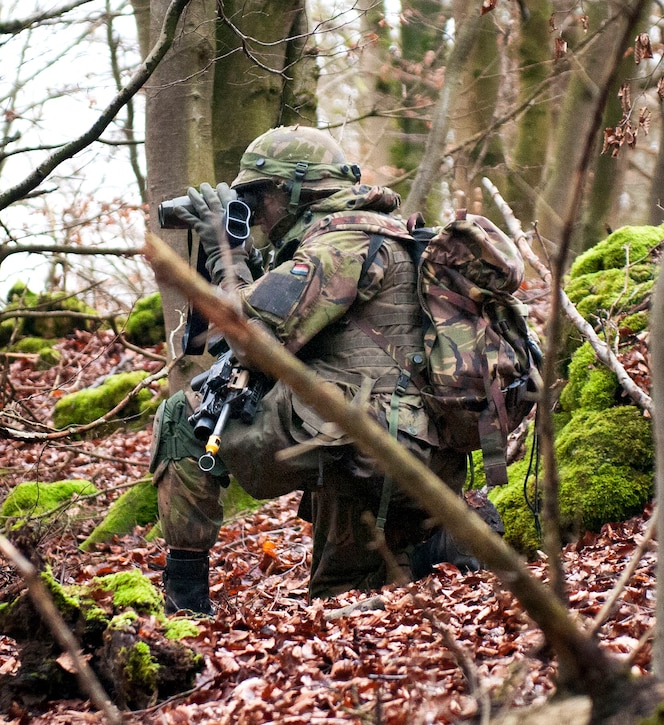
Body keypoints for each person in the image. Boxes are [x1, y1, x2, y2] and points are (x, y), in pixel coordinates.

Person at [149, 125, 467, 615]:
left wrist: (224, 254)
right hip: (411, 445)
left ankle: (185, 601)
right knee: (341, 600)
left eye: (256, 198)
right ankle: (439, 550)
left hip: (364, 437)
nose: (255, 214)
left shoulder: (338, 246)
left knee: (180, 416)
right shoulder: (380, 235)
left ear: (290, 191)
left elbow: (248, 341)